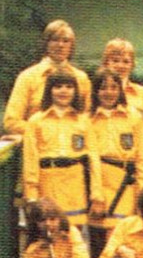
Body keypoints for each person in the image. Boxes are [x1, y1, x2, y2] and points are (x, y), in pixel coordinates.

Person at [85, 68, 143, 258]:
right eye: (103, 88)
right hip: (99, 192)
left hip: (127, 191)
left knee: (125, 251)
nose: (108, 93)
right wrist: (96, 195)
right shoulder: (88, 119)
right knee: (100, 252)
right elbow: (90, 160)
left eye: (113, 87)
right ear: (96, 91)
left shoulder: (133, 118)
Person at [21, 71, 99, 234]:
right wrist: (31, 194)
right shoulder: (36, 121)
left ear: (75, 91)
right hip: (48, 183)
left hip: (74, 185)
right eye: (58, 87)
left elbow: (93, 159)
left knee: (72, 234)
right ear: (49, 90)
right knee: (48, 231)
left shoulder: (83, 121)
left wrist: (96, 191)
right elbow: (30, 159)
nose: (63, 91)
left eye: (69, 87)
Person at [3, 20, 92, 137]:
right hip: (38, 149)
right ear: (46, 43)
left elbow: (89, 117)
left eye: (66, 41)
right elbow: (11, 121)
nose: (60, 45)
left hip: (73, 149)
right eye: (55, 39)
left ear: (72, 45)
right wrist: (46, 133)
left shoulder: (81, 79)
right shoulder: (28, 77)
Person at [102, 39, 143, 117]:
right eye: (115, 61)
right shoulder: (96, 92)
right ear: (106, 63)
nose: (120, 66)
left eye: (126, 61)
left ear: (132, 65)